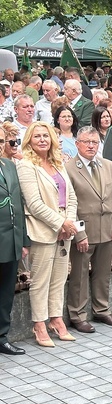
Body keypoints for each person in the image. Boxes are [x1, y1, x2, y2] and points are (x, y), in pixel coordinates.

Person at [17, 122, 79, 346]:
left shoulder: (58, 163)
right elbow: (33, 204)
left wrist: (69, 222)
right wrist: (61, 223)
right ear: (29, 142)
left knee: (59, 278)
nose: (42, 139)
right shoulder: (26, 166)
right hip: (43, 230)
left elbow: (71, 197)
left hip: (65, 230)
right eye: (37, 137)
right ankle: (39, 324)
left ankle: (56, 319)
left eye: (46, 135)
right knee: (41, 281)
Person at [65, 127, 112, 332]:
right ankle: (77, 314)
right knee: (79, 275)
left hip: (107, 229)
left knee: (102, 273)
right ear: (77, 144)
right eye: (86, 142)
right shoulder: (69, 168)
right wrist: (79, 234)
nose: (91, 146)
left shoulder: (108, 165)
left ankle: (102, 309)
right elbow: (69, 204)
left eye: (95, 142)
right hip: (84, 231)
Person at [0, 126, 29, 354]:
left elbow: (18, 203)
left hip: (10, 241)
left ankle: (2, 336)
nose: (0, 145)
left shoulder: (9, 165)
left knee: (6, 291)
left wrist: (23, 238)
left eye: (1, 141)